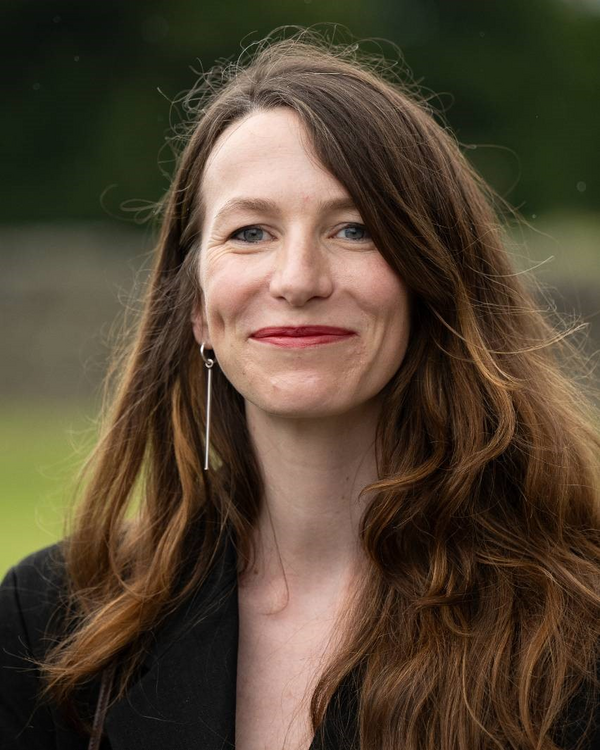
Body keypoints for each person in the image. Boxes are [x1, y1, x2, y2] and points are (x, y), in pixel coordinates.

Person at [1, 27, 599, 750]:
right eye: (250, 233)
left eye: (353, 230)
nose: (297, 280)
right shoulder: (49, 622)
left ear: (433, 280)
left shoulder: (578, 625)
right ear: (197, 310)